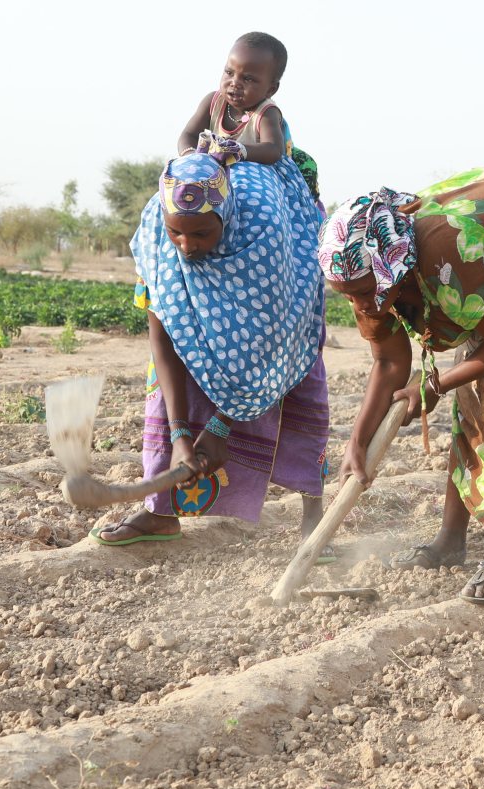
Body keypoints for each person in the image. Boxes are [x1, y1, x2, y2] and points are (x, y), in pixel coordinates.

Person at [321, 167, 484, 603]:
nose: (359, 304)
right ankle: (450, 541)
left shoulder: (444, 250)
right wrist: (358, 440)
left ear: (394, 269)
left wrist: (433, 385)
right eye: (346, 295)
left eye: (364, 293)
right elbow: (389, 361)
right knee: (470, 395)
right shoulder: (367, 275)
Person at [91, 139, 329, 547]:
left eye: (201, 233)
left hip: (283, 326)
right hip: (192, 343)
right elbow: (162, 340)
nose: (187, 246)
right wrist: (182, 434)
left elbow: (269, 348)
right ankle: (159, 513)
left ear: (226, 218)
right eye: (176, 233)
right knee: (166, 390)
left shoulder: (263, 246)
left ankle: (314, 524)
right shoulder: (157, 248)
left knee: (298, 390)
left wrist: (220, 426)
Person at [174, 32, 321, 205]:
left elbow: (273, 149)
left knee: (259, 208)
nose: (234, 82)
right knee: (174, 192)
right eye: (229, 72)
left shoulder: (266, 112)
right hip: (215, 170)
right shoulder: (213, 102)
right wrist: (193, 157)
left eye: (248, 78)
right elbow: (189, 135)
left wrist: (238, 151)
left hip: (260, 175)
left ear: (271, 89)